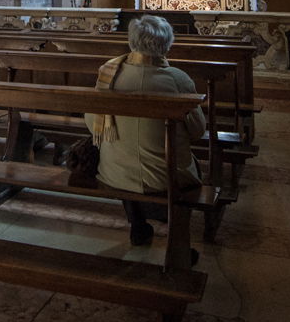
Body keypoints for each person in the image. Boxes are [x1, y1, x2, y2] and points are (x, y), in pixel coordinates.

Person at [85, 15, 206, 247]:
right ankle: (178, 241)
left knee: (127, 158)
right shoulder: (178, 80)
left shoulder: (108, 74)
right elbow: (198, 131)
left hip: (115, 172)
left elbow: (93, 126)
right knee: (190, 166)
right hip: (168, 177)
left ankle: (138, 224)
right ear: (167, 44)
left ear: (132, 42)